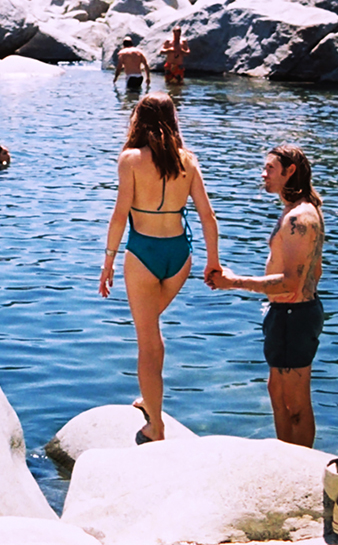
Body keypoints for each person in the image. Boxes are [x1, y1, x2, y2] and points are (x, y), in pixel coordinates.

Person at [101, 93, 220, 444]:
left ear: (140, 119)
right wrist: (213, 262)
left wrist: (107, 261)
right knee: (152, 332)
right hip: (180, 256)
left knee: (147, 340)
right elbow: (208, 217)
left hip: (143, 253)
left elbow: (120, 215)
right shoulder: (188, 161)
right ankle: (150, 400)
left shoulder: (131, 160)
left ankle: (156, 426)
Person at [207, 145, 324, 447]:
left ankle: (298, 469)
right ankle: (285, 460)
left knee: (294, 404)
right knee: (278, 394)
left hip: (294, 317)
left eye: (271, 168)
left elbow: (292, 284)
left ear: (290, 171)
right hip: (287, 316)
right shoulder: (297, 211)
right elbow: (316, 272)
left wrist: (234, 282)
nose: (264, 174)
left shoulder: (300, 219)